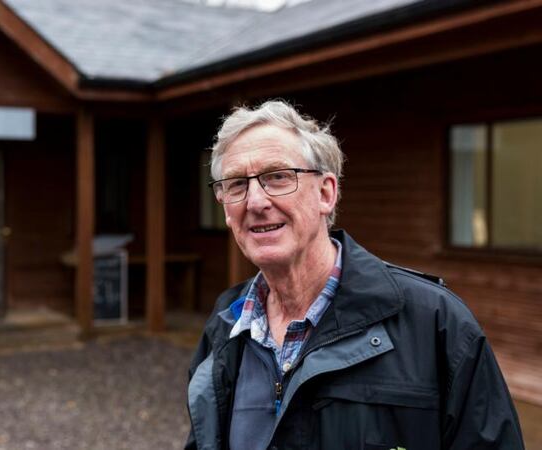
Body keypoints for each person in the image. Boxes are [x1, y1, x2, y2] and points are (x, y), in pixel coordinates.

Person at [185, 100, 524, 450]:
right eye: (237, 184)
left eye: (277, 177)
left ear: (326, 193)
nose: (255, 201)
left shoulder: (436, 323)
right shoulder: (226, 324)